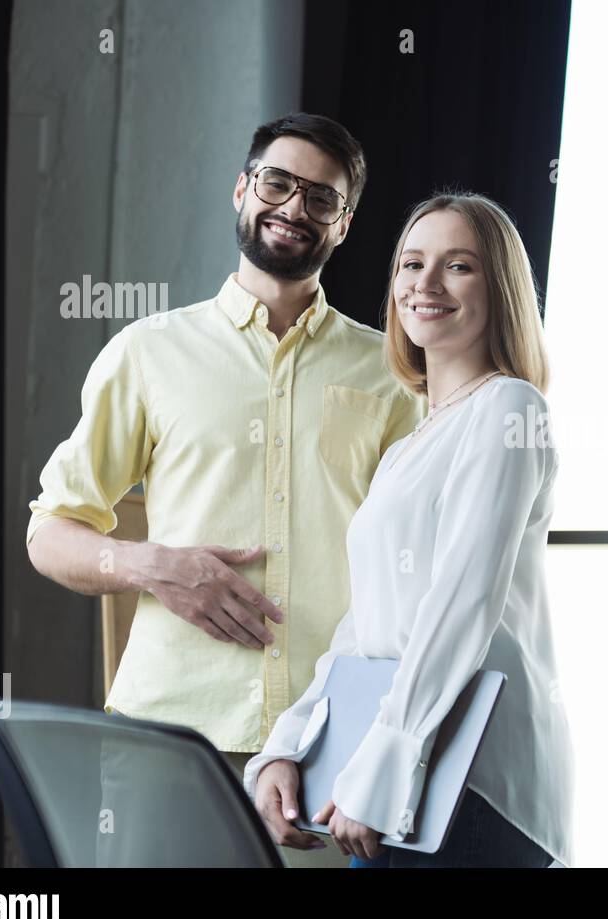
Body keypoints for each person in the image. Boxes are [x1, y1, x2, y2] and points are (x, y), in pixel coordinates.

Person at [26, 113, 424, 867]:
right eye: (277, 183)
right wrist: (150, 565)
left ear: (343, 224)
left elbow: (414, 570)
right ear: (242, 189)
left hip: (326, 745)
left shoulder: (393, 377)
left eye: (321, 197)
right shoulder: (147, 353)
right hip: (167, 737)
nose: (294, 207)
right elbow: (49, 531)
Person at [244, 192, 575, 868]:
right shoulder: (408, 447)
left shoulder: (510, 408)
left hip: (472, 784)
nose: (426, 284)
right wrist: (290, 744)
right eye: (411, 264)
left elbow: (462, 603)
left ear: (501, 289)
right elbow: (365, 627)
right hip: (400, 778)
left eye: (459, 266)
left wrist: (390, 761)